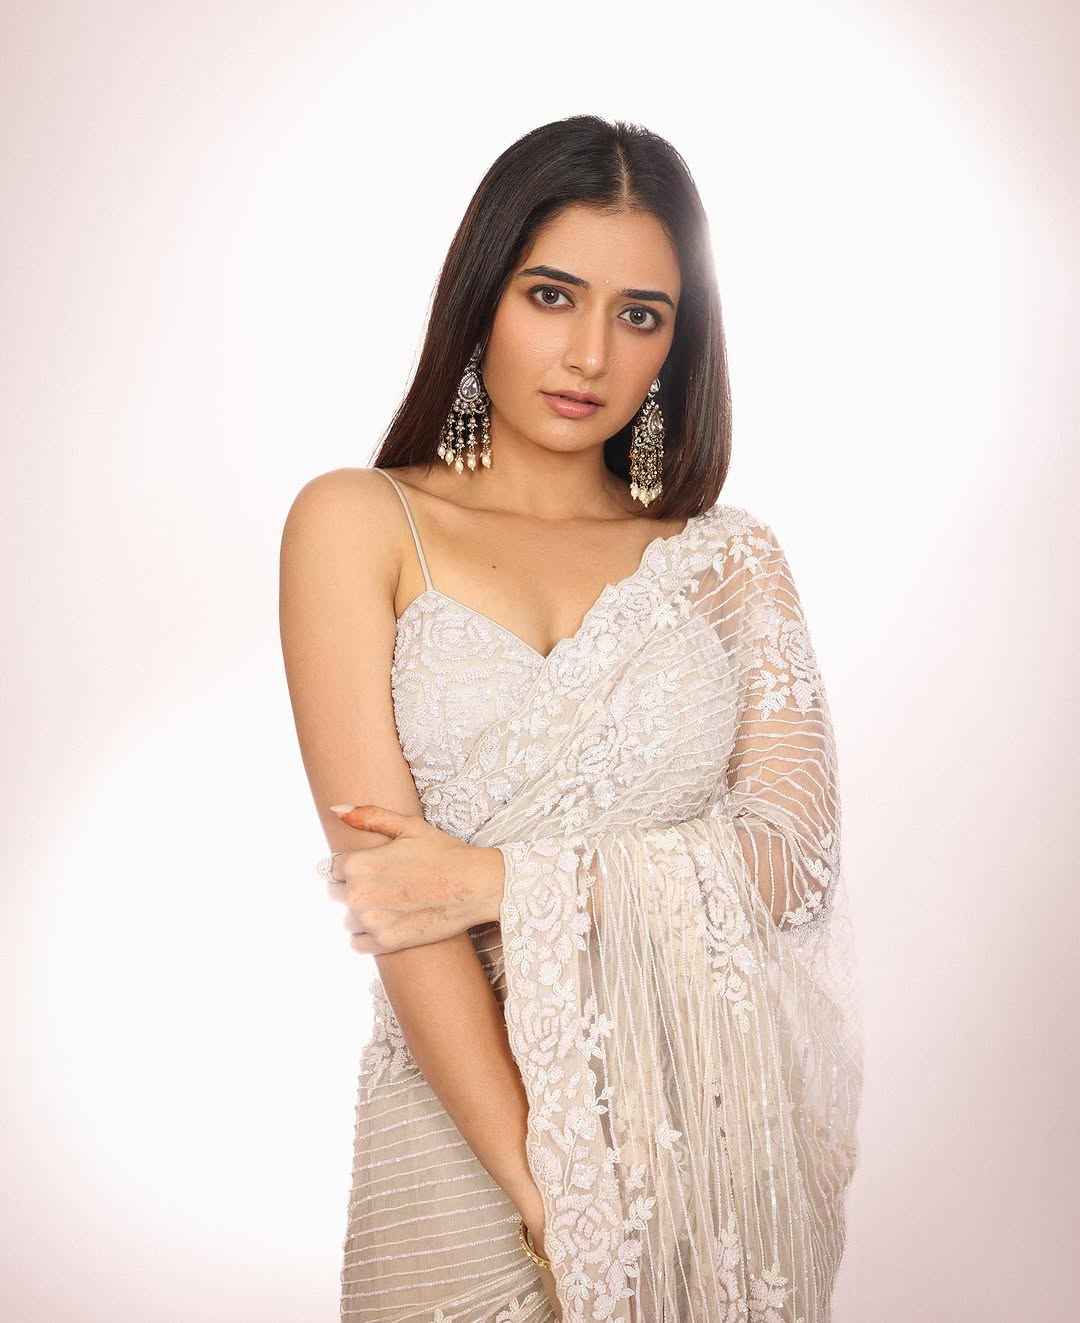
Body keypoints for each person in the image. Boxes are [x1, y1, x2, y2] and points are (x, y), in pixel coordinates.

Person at [279, 114, 862, 1323]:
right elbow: (398, 900)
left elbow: (793, 861)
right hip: (457, 1132)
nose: (590, 353)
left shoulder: (728, 562)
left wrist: (502, 880)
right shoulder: (359, 523)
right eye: (552, 295)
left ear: (676, 345)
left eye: (640, 315)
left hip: (704, 1128)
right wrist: (547, 1190)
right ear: (483, 295)